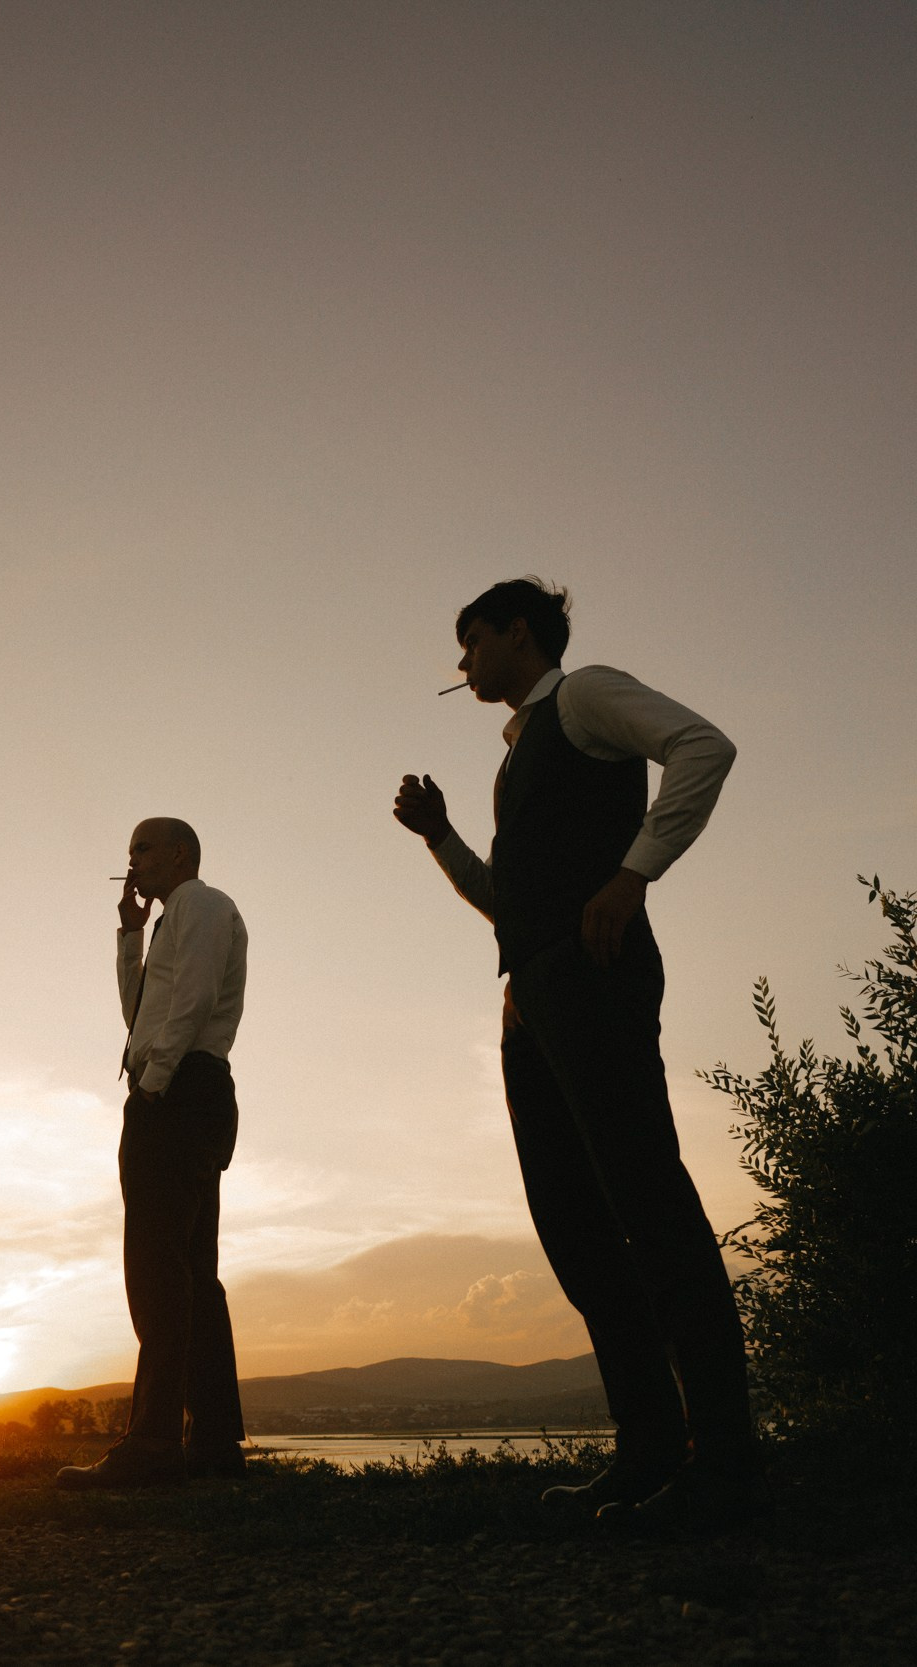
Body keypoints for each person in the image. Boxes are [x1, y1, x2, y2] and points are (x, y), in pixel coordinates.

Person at [391, 577, 765, 1534]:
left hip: (596, 979)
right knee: (574, 1228)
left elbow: (704, 747)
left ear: (521, 631)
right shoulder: (516, 759)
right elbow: (511, 903)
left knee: (649, 1202)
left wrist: (633, 875)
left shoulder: (586, 694)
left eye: (471, 643)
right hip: (535, 1004)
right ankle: (648, 1452)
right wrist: (441, 840)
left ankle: (727, 1460)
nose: (464, 665)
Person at [57, 818, 251, 1488]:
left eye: (142, 847)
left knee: (156, 1264)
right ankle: (214, 1440)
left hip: (177, 1091)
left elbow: (191, 1000)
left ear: (178, 853)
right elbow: (138, 1013)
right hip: (189, 1087)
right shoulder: (176, 917)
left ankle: (154, 1442)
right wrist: (130, 933)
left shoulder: (200, 902)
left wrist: (156, 1082)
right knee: (193, 1269)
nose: (131, 859)